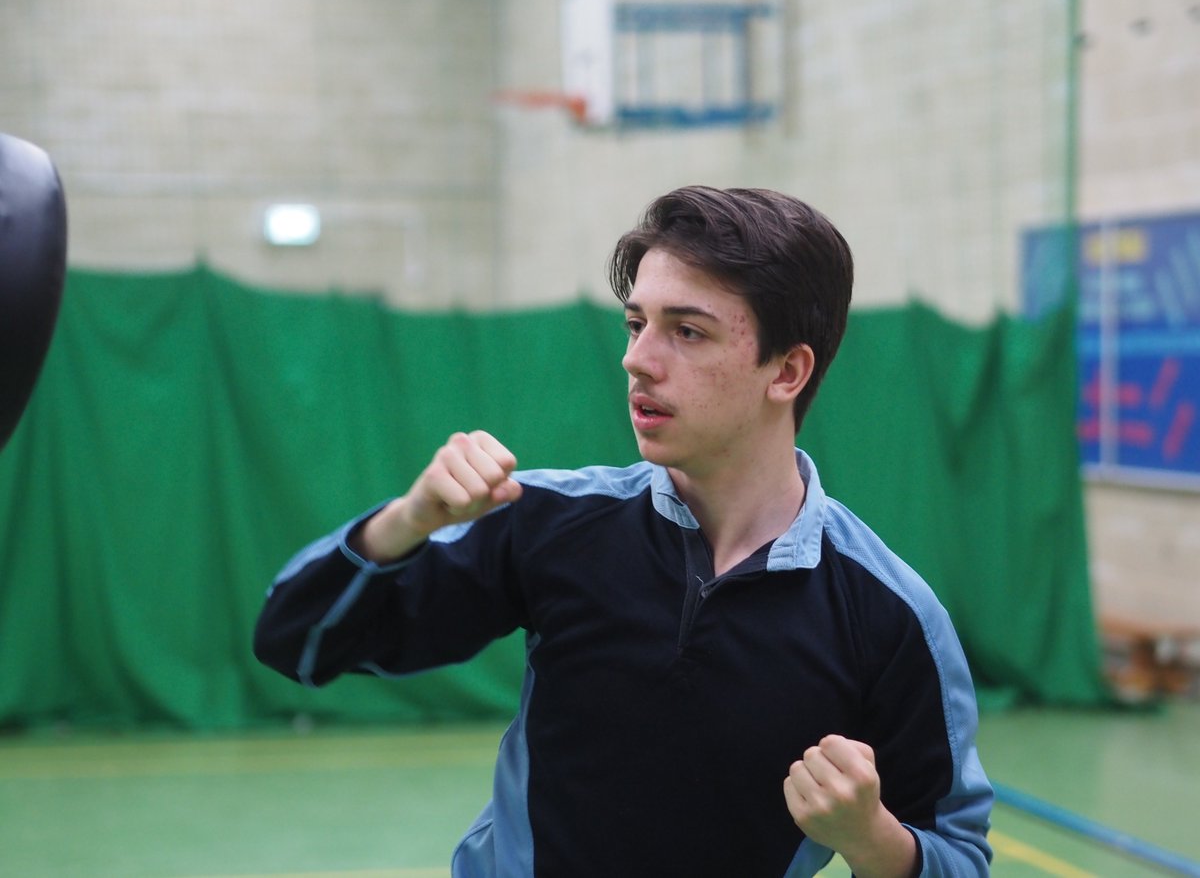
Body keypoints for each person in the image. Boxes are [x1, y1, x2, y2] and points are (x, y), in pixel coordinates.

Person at [254, 186, 993, 877]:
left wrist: (873, 841)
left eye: (687, 332)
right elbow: (297, 641)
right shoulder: (548, 522)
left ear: (787, 371)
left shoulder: (890, 614)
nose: (637, 360)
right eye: (638, 323)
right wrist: (407, 521)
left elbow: (958, 854)